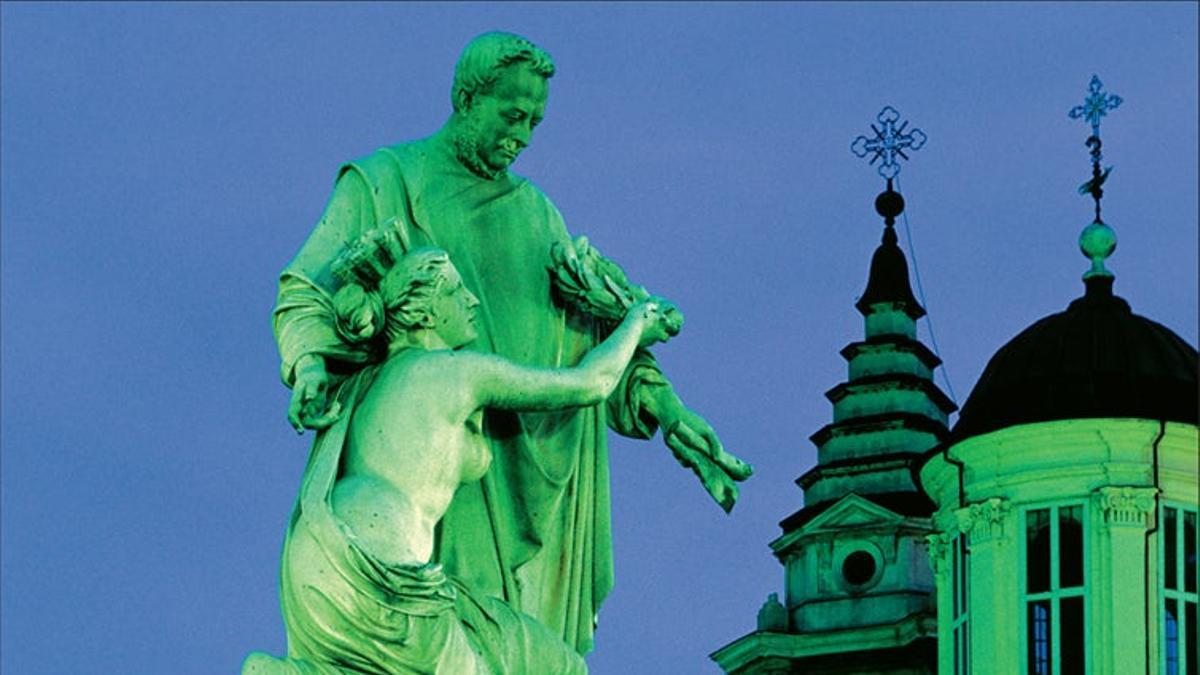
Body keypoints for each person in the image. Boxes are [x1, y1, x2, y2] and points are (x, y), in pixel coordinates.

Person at [272, 31, 751, 652]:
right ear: (468, 99)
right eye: (512, 114)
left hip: (531, 465)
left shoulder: (538, 215)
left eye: (534, 121)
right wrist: (309, 362)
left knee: (513, 645)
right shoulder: (386, 181)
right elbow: (308, 285)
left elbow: (592, 331)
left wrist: (668, 409)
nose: (522, 134)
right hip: (432, 454)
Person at [247, 245, 671, 674]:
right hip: (384, 575)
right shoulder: (458, 372)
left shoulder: (362, 384)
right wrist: (638, 321)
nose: (470, 300)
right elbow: (591, 384)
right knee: (559, 667)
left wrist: (311, 368)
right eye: (454, 290)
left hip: (314, 561)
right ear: (424, 313)